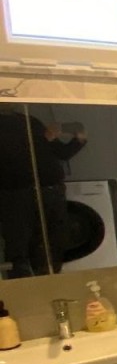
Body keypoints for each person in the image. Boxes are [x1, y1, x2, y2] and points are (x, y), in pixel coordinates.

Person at [0, 109, 87, 276]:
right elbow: (64, 150)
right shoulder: (29, 121)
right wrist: (76, 136)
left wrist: (69, 132)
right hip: (31, 190)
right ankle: (40, 280)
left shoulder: (28, 121)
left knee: (27, 246)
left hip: (31, 191)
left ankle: (33, 280)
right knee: (42, 245)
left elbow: (62, 149)